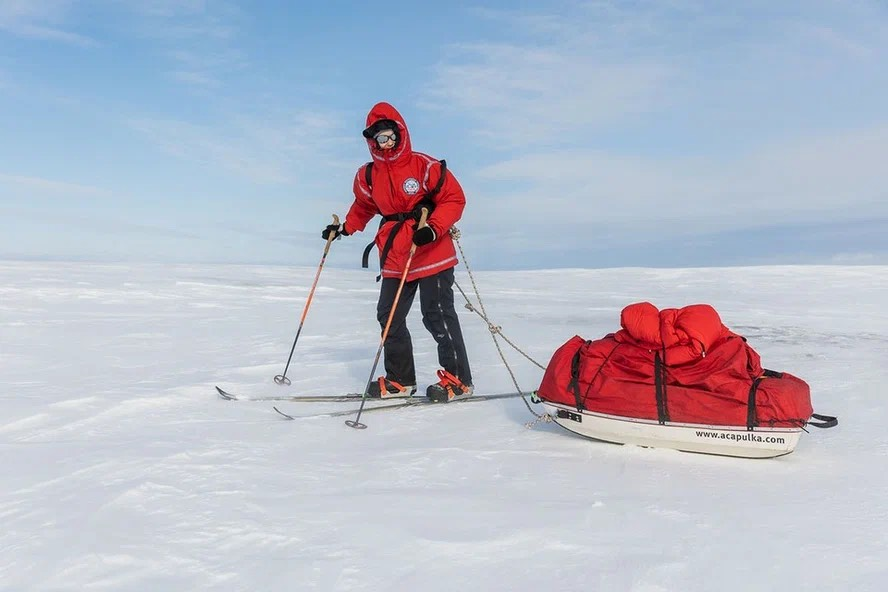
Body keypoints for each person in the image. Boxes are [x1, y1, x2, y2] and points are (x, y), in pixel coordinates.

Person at [321, 101, 473, 402]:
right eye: (380, 139)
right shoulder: (367, 175)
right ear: (371, 141)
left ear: (401, 134)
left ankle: (459, 379)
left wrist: (433, 227)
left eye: (391, 136)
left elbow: (454, 199)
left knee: (437, 315)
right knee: (388, 316)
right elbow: (363, 207)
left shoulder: (425, 166)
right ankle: (401, 379)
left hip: (430, 249)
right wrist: (345, 229)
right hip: (395, 254)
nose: (386, 143)